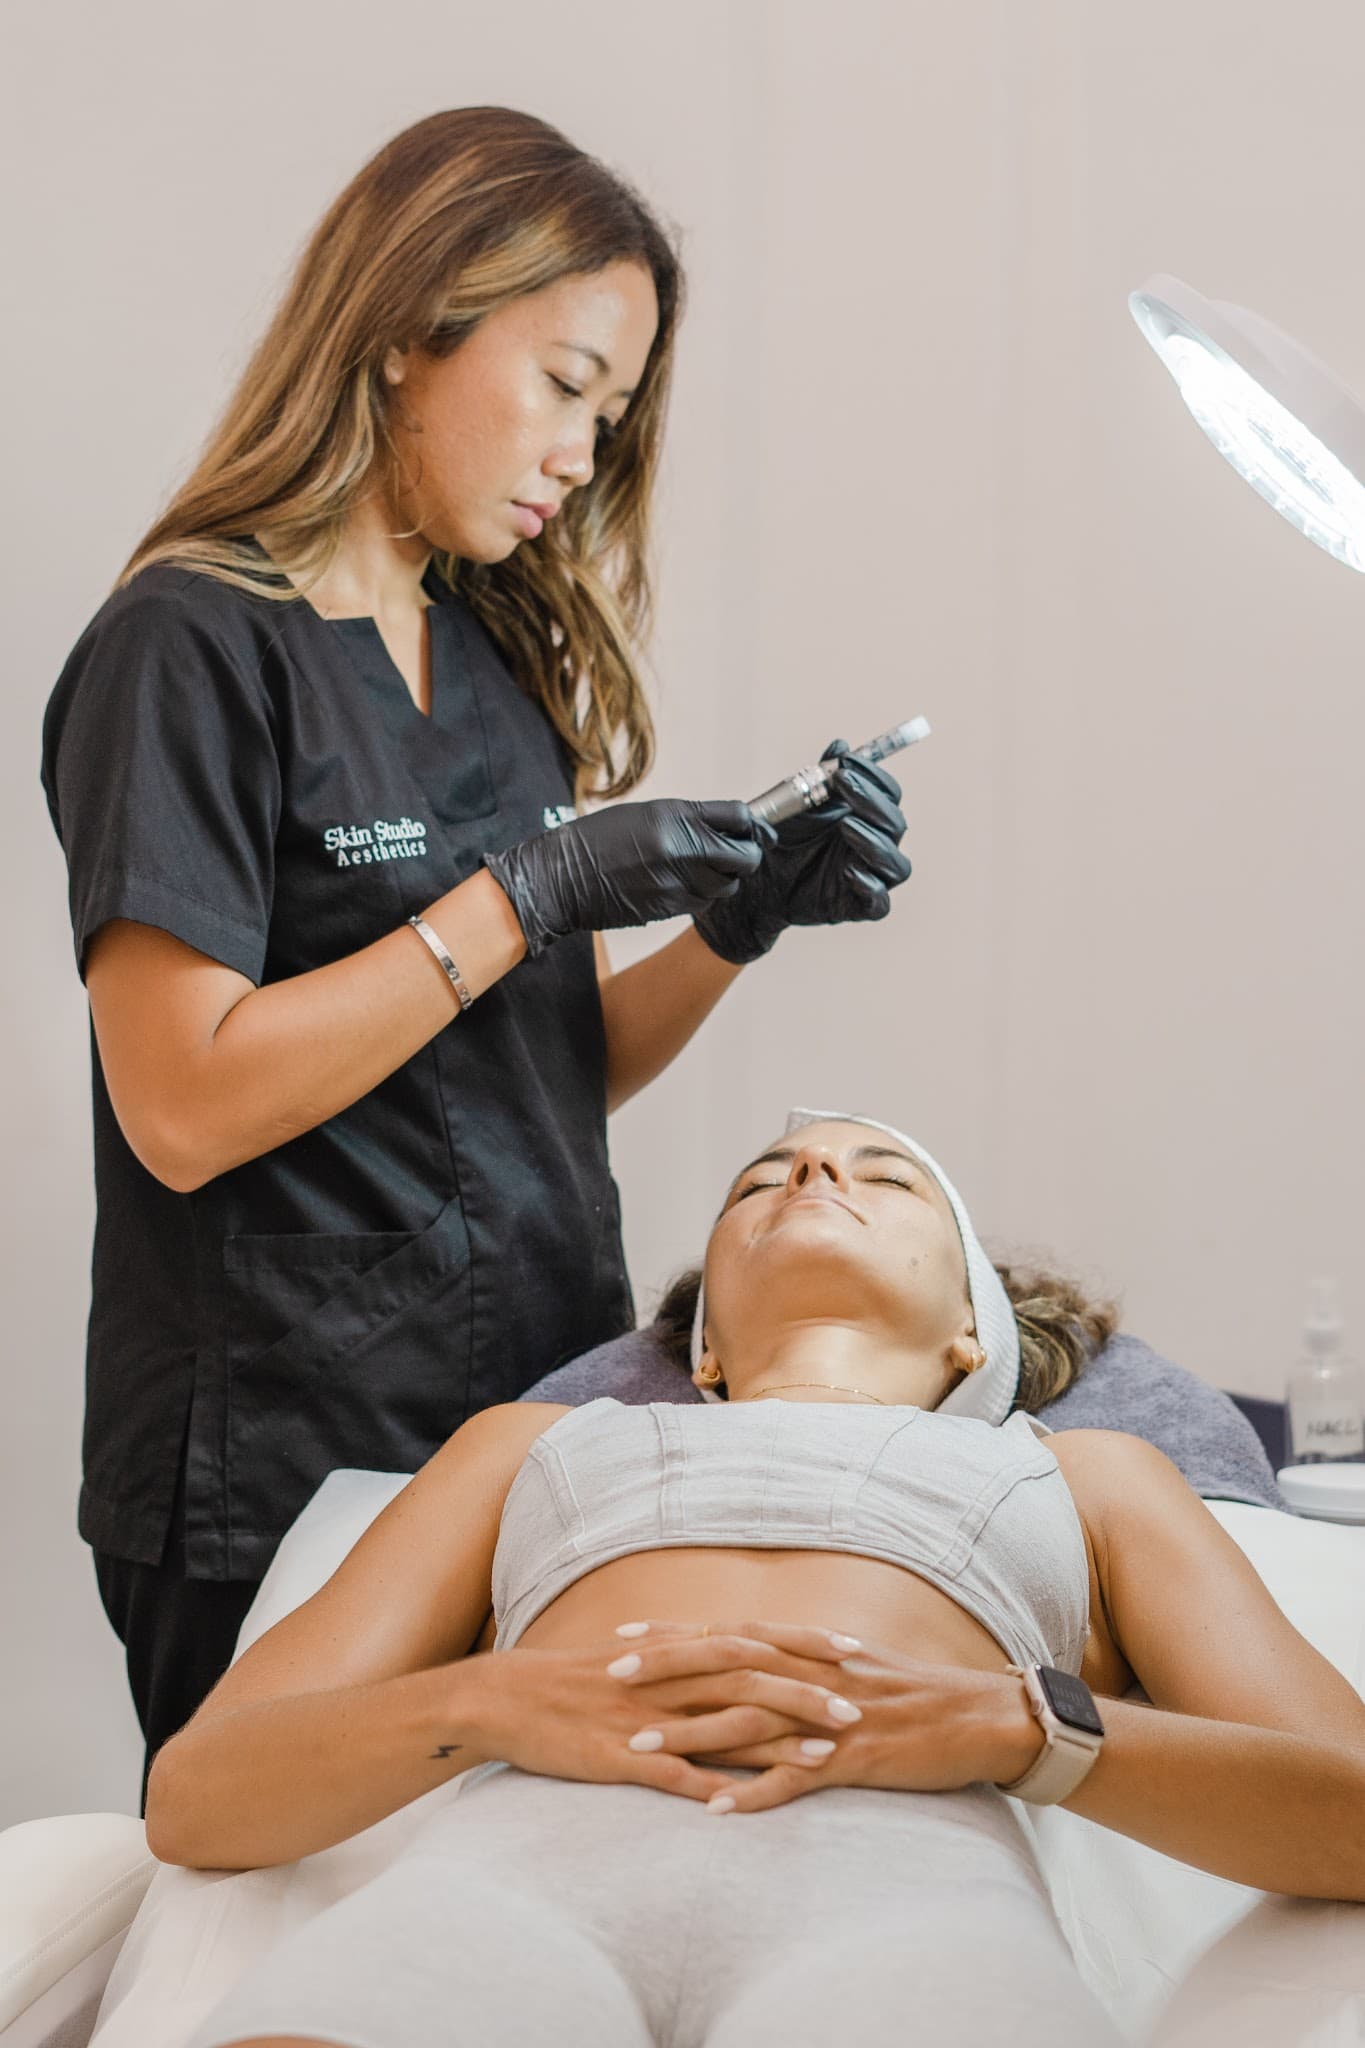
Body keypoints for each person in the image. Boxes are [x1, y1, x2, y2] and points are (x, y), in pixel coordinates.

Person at [38, 108, 912, 1797]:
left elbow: (536, 1074)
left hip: (534, 1420)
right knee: (291, 1896)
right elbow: (183, 1106)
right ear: (403, 332)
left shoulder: (491, 654)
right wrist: (529, 889)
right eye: (567, 384)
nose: (584, 453)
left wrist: (735, 927)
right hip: (286, 1454)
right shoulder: (189, 647)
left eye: (614, 414)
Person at [137, 1113, 1365, 2048]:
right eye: (761, 1178)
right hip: (504, 1886)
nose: (813, 1168)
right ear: (706, 1346)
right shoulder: (529, 1444)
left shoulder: (1087, 1473)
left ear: (973, 1328)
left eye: (885, 1176)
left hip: (908, 1907)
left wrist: (1025, 1724)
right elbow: (197, 1796)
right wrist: (487, 1700)